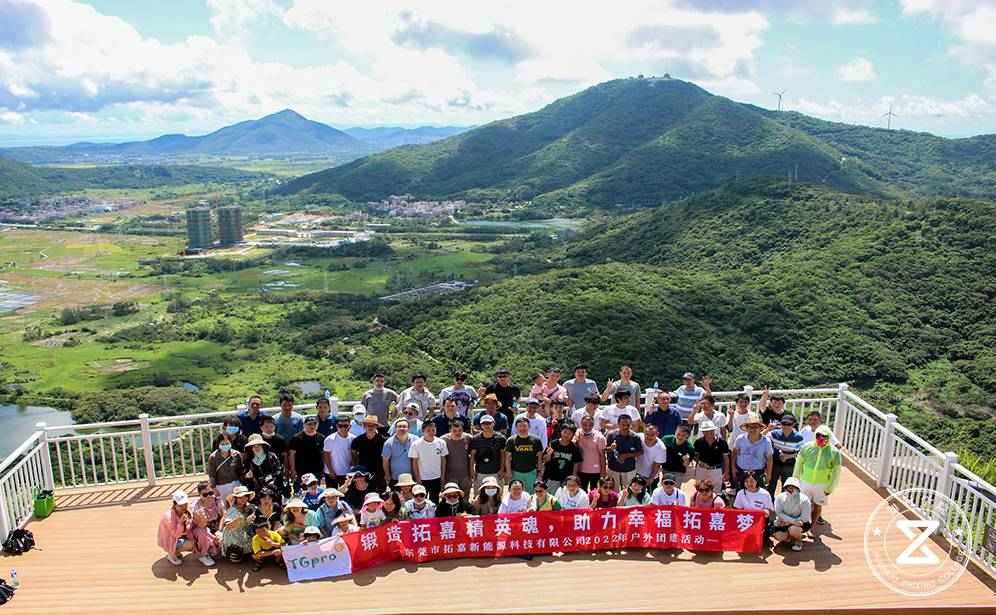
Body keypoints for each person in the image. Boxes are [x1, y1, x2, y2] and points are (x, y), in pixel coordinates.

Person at [793, 425, 841, 527]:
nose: (821, 438)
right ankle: (801, 526)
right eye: (818, 435)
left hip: (822, 484)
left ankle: (811, 527)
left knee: (818, 505)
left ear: (828, 437)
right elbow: (798, 464)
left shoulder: (834, 453)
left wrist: (830, 488)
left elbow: (836, 473)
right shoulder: (806, 447)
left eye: (824, 436)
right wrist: (795, 481)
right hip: (805, 482)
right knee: (803, 505)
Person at [158, 490, 215, 566]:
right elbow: (176, 535)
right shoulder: (168, 516)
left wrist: (201, 520)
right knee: (190, 544)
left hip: (184, 535)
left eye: (185, 504)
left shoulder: (188, 511)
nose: (184, 507)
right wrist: (180, 523)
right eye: (181, 505)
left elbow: (191, 528)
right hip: (171, 540)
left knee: (202, 531)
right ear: (174, 504)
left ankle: (203, 555)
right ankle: (172, 553)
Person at [408, 420, 448, 502]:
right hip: (423, 478)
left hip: (436, 477)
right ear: (423, 431)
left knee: (434, 500)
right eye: (428, 430)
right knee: (421, 500)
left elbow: (443, 460)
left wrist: (443, 476)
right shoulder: (416, 444)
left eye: (433, 430)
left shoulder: (441, 442)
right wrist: (418, 478)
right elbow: (414, 462)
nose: (431, 432)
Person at [731, 414, 774, 489]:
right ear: (747, 428)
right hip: (742, 472)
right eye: (750, 427)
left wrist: (769, 475)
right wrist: (733, 469)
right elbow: (734, 455)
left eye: (755, 427)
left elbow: (769, 459)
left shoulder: (766, 441)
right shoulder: (740, 439)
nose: (752, 429)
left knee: (757, 497)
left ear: (760, 428)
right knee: (741, 495)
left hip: (758, 473)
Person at [504, 417, 544, 491]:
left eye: (525, 426)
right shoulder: (511, 440)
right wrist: (508, 472)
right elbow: (507, 458)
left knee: (531, 494)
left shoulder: (536, 440)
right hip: (516, 472)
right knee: (516, 493)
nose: (522, 428)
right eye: (520, 426)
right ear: (516, 427)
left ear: (529, 427)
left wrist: (539, 473)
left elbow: (539, 459)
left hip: (531, 472)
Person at [772, 477, 812, 551]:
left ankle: (798, 540)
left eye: (793, 487)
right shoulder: (779, 497)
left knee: (793, 529)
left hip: (800, 523)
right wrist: (791, 521)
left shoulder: (805, 500)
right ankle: (790, 539)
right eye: (788, 487)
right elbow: (779, 512)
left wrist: (793, 522)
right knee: (779, 536)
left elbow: (805, 518)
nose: (790, 489)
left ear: (798, 488)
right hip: (784, 522)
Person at [768, 414, 804, 496]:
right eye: (784, 423)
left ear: (793, 425)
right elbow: (761, 438)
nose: (786, 426)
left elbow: (801, 453)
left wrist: (788, 456)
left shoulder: (799, 437)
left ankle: (783, 504)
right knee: (771, 484)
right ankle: (770, 504)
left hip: (789, 464)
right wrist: (768, 429)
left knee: (787, 485)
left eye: (789, 424)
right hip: (775, 462)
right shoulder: (773, 434)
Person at [542, 422, 583, 493]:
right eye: (565, 432)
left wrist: (574, 477)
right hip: (552, 476)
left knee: (564, 498)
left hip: (566, 478)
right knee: (552, 498)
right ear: (561, 432)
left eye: (569, 433)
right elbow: (545, 460)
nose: (566, 435)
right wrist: (549, 454)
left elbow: (576, 463)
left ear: (573, 435)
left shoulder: (574, 448)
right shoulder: (553, 444)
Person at [470, 414, 507, 490]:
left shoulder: (501, 438)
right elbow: (472, 456)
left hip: (496, 472)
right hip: (480, 472)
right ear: (481, 425)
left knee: (497, 496)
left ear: (493, 423)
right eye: (484, 423)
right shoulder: (475, 439)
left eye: (489, 423)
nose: (486, 425)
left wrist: (502, 470)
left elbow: (503, 455)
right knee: (479, 496)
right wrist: (472, 470)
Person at [242, 434, 285, 500]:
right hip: (257, 490)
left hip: (273, 487)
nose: (257, 448)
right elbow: (245, 474)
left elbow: (278, 469)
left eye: (258, 445)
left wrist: (271, 476)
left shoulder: (271, 456)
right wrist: (247, 476)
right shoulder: (248, 460)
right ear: (251, 448)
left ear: (262, 445)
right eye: (254, 446)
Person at [220, 485, 257, 563]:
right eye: (240, 497)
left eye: (245, 496)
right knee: (236, 557)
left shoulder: (248, 507)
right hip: (233, 535)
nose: (243, 499)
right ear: (236, 499)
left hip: (243, 533)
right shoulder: (233, 510)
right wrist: (243, 520)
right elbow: (229, 525)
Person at [351, 415, 388, 491]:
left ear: (376, 426)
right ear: (364, 426)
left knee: (380, 493)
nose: (370, 427)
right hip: (364, 472)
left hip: (379, 472)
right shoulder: (358, 440)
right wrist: (356, 467)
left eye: (373, 425)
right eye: (368, 425)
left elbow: (387, 458)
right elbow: (353, 454)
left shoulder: (383, 440)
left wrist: (387, 473)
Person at [606, 414, 643, 489]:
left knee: (629, 491)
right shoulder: (611, 435)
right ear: (618, 424)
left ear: (631, 425)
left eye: (628, 425)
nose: (625, 427)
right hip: (613, 468)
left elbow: (640, 452)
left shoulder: (635, 437)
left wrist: (625, 455)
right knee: (613, 491)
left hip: (629, 469)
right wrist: (611, 448)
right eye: (623, 424)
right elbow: (605, 449)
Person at [289, 415, 326, 488]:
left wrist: (324, 470)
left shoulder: (321, 437)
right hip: (301, 471)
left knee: (314, 492)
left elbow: (323, 454)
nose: (312, 426)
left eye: (314, 424)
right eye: (309, 424)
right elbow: (292, 455)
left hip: (317, 470)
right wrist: (293, 470)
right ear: (304, 425)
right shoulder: (296, 438)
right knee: (299, 493)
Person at [692, 420, 730, 491]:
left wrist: (726, 473)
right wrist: (700, 462)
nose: (709, 432)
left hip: (716, 470)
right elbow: (695, 456)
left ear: (714, 430)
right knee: (699, 489)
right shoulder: (698, 442)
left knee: (716, 491)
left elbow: (726, 458)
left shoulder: (722, 442)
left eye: (711, 430)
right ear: (703, 432)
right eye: (706, 431)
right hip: (701, 469)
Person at [574, 415, 608, 491]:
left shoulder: (599, 437)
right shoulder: (577, 433)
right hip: (581, 469)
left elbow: (603, 456)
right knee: (582, 492)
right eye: (585, 424)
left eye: (590, 425)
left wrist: (603, 473)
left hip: (595, 471)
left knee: (595, 492)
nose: (587, 427)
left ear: (593, 425)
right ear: (581, 424)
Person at [207, 432, 244, 499]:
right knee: (224, 507)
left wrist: (242, 484)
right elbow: (211, 475)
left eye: (227, 443)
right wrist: (214, 489)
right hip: (221, 487)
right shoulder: (213, 457)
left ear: (231, 443)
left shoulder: (236, 454)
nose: (225, 445)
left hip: (236, 485)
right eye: (222, 444)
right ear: (218, 444)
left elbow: (240, 471)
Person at [322, 415, 355, 487]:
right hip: (331, 472)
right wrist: (331, 471)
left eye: (346, 425)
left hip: (347, 472)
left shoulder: (353, 438)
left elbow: (354, 455)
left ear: (350, 426)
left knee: (346, 495)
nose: (343, 428)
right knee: (331, 495)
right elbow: (326, 456)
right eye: (340, 425)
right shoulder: (330, 439)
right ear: (336, 426)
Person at [442, 420, 473, 494]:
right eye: (454, 430)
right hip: (450, 477)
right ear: (450, 430)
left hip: (465, 476)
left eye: (460, 430)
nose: (457, 433)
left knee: (465, 499)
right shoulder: (443, 440)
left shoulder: (468, 438)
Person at [633, 424, 667, 489]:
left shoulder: (661, 448)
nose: (649, 437)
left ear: (657, 434)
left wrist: (650, 478)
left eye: (652, 435)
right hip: (635, 473)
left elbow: (656, 465)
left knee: (649, 497)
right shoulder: (638, 437)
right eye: (647, 434)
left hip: (649, 476)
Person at [382, 418, 414, 486]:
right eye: (399, 426)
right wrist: (387, 475)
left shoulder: (415, 440)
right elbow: (385, 461)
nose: (402, 428)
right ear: (395, 428)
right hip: (396, 478)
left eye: (404, 426)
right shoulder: (388, 443)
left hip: (412, 478)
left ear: (408, 428)